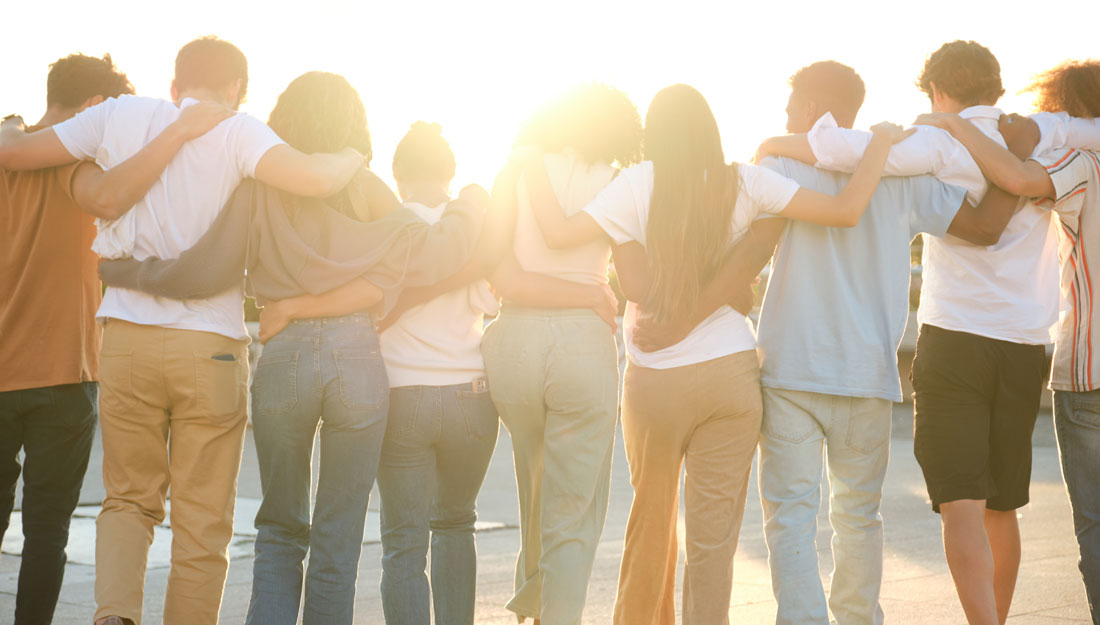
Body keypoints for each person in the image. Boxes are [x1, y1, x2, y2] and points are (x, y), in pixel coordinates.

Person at [627, 62, 1027, 625]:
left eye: (793, 110)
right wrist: (1024, 165)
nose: (787, 119)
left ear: (813, 109)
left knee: (790, 517)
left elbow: (740, 257)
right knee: (858, 517)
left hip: (791, 370)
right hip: (867, 373)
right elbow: (984, 228)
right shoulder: (902, 171)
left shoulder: (781, 162)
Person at [96, 71, 487, 625]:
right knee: (340, 533)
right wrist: (470, 205)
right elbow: (430, 254)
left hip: (284, 359)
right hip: (357, 362)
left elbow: (206, 268)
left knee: (279, 527)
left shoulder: (259, 185)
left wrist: (122, 270)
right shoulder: (366, 186)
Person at [0, 37, 366, 625]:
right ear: (236, 90)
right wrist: (354, 155)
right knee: (202, 519)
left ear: (173, 87)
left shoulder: (116, 115)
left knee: (126, 499)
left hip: (124, 338)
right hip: (211, 345)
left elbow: (15, 156)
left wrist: (13, 126)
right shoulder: (240, 131)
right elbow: (315, 179)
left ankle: (115, 614)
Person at [524, 82, 910, 625]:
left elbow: (567, 237)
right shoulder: (747, 182)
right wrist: (880, 145)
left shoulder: (635, 184)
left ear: (652, 134)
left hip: (656, 379)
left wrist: (528, 162)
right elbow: (846, 210)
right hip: (730, 379)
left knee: (650, 527)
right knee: (713, 543)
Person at [0, 52, 234, 625]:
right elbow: (114, 197)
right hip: (64, 371)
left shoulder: (10, 144)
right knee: (48, 530)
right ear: (95, 109)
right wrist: (179, 131)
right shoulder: (75, 169)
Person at [912, 58, 1100, 625]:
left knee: (964, 505)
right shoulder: (1047, 146)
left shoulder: (1067, 160)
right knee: (1003, 505)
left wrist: (953, 126)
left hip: (967, 341)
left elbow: (1002, 203)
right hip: (1022, 347)